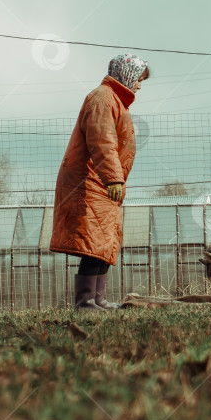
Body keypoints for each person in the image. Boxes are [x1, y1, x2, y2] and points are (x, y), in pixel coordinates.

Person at [50, 54, 149, 310]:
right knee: (93, 241)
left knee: (104, 239)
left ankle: (98, 299)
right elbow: (102, 140)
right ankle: (85, 302)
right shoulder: (103, 98)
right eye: (138, 79)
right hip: (92, 181)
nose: (139, 85)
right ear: (127, 75)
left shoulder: (114, 100)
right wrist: (113, 178)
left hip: (100, 181)